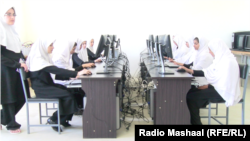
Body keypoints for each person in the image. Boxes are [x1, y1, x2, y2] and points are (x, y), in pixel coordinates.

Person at [26, 37, 91, 132]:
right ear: (43, 46)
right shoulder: (37, 60)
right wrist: (76, 73)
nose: (53, 47)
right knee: (68, 95)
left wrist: (72, 76)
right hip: (42, 89)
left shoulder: (44, 58)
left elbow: (55, 74)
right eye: (51, 45)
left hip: (48, 85)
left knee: (75, 93)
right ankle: (54, 119)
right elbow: (56, 70)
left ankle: (64, 119)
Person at [178, 39, 241, 125]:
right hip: (217, 88)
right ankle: (188, 121)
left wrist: (208, 86)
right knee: (190, 91)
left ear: (217, 49)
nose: (210, 52)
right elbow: (207, 71)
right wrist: (190, 71)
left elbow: (225, 84)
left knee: (191, 97)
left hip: (224, 92)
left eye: (211, 50)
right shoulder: (220, 60)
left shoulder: (228, 62)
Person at [0, 6, 30, 134]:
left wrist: (23, 61)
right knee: (9, 98)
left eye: (14, 14)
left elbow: (17, 52)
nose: (12, 17)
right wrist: (17, 64)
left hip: (15, 69)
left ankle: (2, 118)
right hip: (5, 70)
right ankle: (11, 124)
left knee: (23, 96)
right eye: (8, 14)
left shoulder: (13, 31)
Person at [51, 38, 88, 114]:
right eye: (73, 49)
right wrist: (78, 73)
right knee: (75, 92)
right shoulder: (59, 58)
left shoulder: (66, 57)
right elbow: (65, 73)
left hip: (66, 79)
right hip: (60, 81)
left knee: (80, 90)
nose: (74, 51)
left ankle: (77, 109)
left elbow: (70, 70)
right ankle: (74, 111)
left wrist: (79, 73)